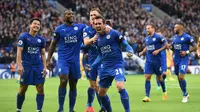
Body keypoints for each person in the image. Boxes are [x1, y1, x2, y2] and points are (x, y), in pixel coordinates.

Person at [87, 15, 133, 112]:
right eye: (95, 24)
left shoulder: (114, 34)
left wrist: (130, 50)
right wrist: (93, 65)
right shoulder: (97, 39)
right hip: (105, 67)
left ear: (104, 24)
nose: (97, 25)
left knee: (120, 86)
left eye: (99, 23)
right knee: (101, 93)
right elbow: (100, 55)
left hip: (117, 65)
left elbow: (126, 44)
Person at [46, 9, 86, 112]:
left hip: (75, 61)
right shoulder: (59, 29)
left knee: (73, 84)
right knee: (63, 80)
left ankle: (71, 109)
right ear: (64, 17)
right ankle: (60, 108)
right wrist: (48, 60)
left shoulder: (80, 27)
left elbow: (92, 31)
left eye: (72, 13)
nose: (71, 15)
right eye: (69, 14)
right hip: (63, 60)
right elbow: (53, 44)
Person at [16, 18, 46, 112]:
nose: (36, 25)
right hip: (26, 66)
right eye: (35, 23)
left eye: (38, 24)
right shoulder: (23, 37)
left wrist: (45, 67)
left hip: (38, 66)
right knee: (22, 88)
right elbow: (19, 52)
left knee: (40, 88)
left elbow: (43, 54)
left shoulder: (41, 40)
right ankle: (19, 109)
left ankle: (39, 110)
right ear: (30, 25)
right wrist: (20, 66)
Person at [83, 8, 105, 112]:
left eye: (95, 15)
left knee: (98, 83)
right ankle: (90, 105)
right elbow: (86, 42)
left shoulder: (105, 28)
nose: (92, 17)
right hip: (90, 60)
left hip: (103, 60)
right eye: (91, 15)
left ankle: (103, 107)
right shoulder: (87, 30)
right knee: (93, 85)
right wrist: (93, 39)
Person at [139, 24, 168, 102]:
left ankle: (164, 91)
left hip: (157, 61)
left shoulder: (158, 37)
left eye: (148, 28)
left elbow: (166, 45)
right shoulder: (147, 38)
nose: (147, 30)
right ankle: (147, 96)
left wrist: (158, 50)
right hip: (149, 61)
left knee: (160, 78)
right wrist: (142, 52)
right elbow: (147, 47)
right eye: (146, 29)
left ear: (153, 29)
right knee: (147, 77)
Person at [169, 22, 197, 103]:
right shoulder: (174, 38)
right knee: (179, 77)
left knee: (181, 77)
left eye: (176, 27)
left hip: (184, 59)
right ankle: (185, 93)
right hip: (176, 60)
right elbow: (173, 48)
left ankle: (185, 95)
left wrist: (187, 52)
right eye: (174, 27)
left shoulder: (187, 37)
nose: (174, 29)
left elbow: (195, 47)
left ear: (181, 28)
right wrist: (170, 47)